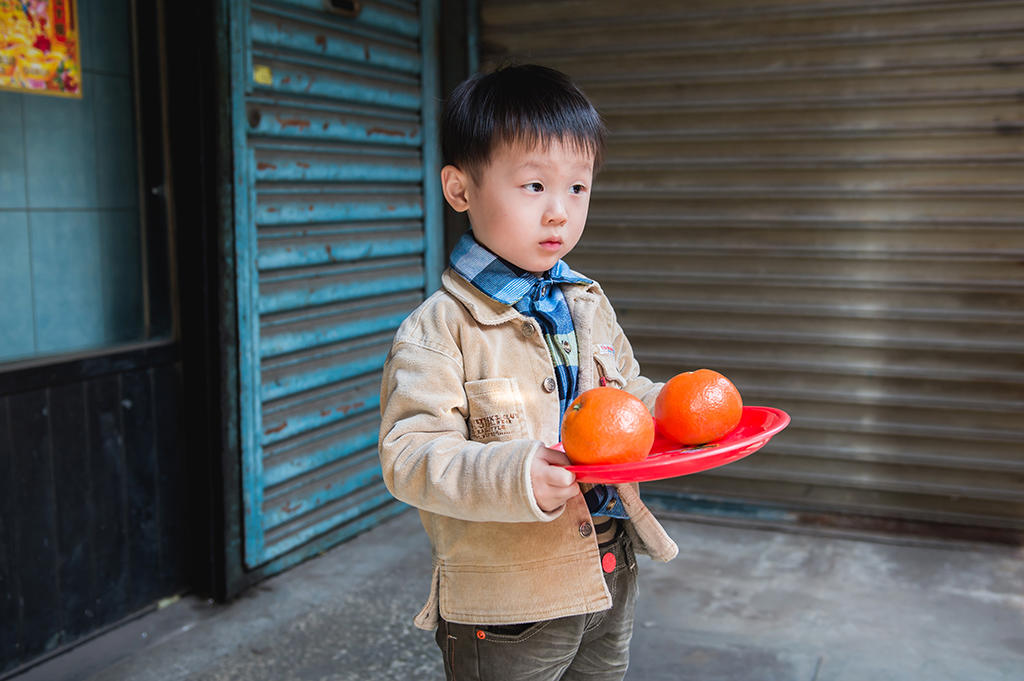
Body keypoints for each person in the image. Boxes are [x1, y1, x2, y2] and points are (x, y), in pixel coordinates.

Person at [378, 63, 678, 681]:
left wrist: (673, 404)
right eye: (534, 186)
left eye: (577, 188)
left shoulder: (587, 302)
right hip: (511, 603)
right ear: (461, 191)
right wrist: (514, 475)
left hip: (610, 567)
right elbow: (408, 456)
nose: (558, 214)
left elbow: (626, 395)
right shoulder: (438, 330)